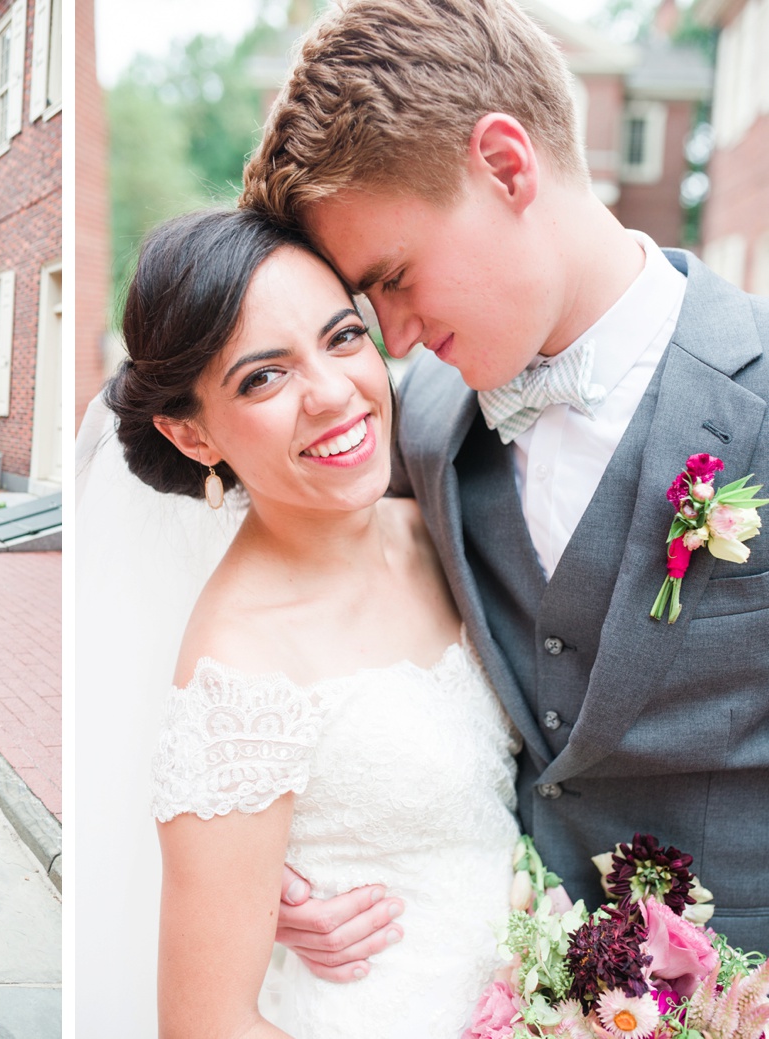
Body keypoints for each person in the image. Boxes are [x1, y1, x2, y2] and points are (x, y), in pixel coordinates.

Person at [238, 0, 769, 970]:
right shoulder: (421, 420)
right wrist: (256, 854)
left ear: (504, 165)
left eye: (393, 277)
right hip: (482, 981)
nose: (391, 337)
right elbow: (282, 595)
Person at [99, 206, 523, 1037]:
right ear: (191, 433)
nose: (334, 394)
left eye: (342, 338)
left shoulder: (438, 522)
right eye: (264, 377)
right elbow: (204, 1024)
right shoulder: (238, 671)